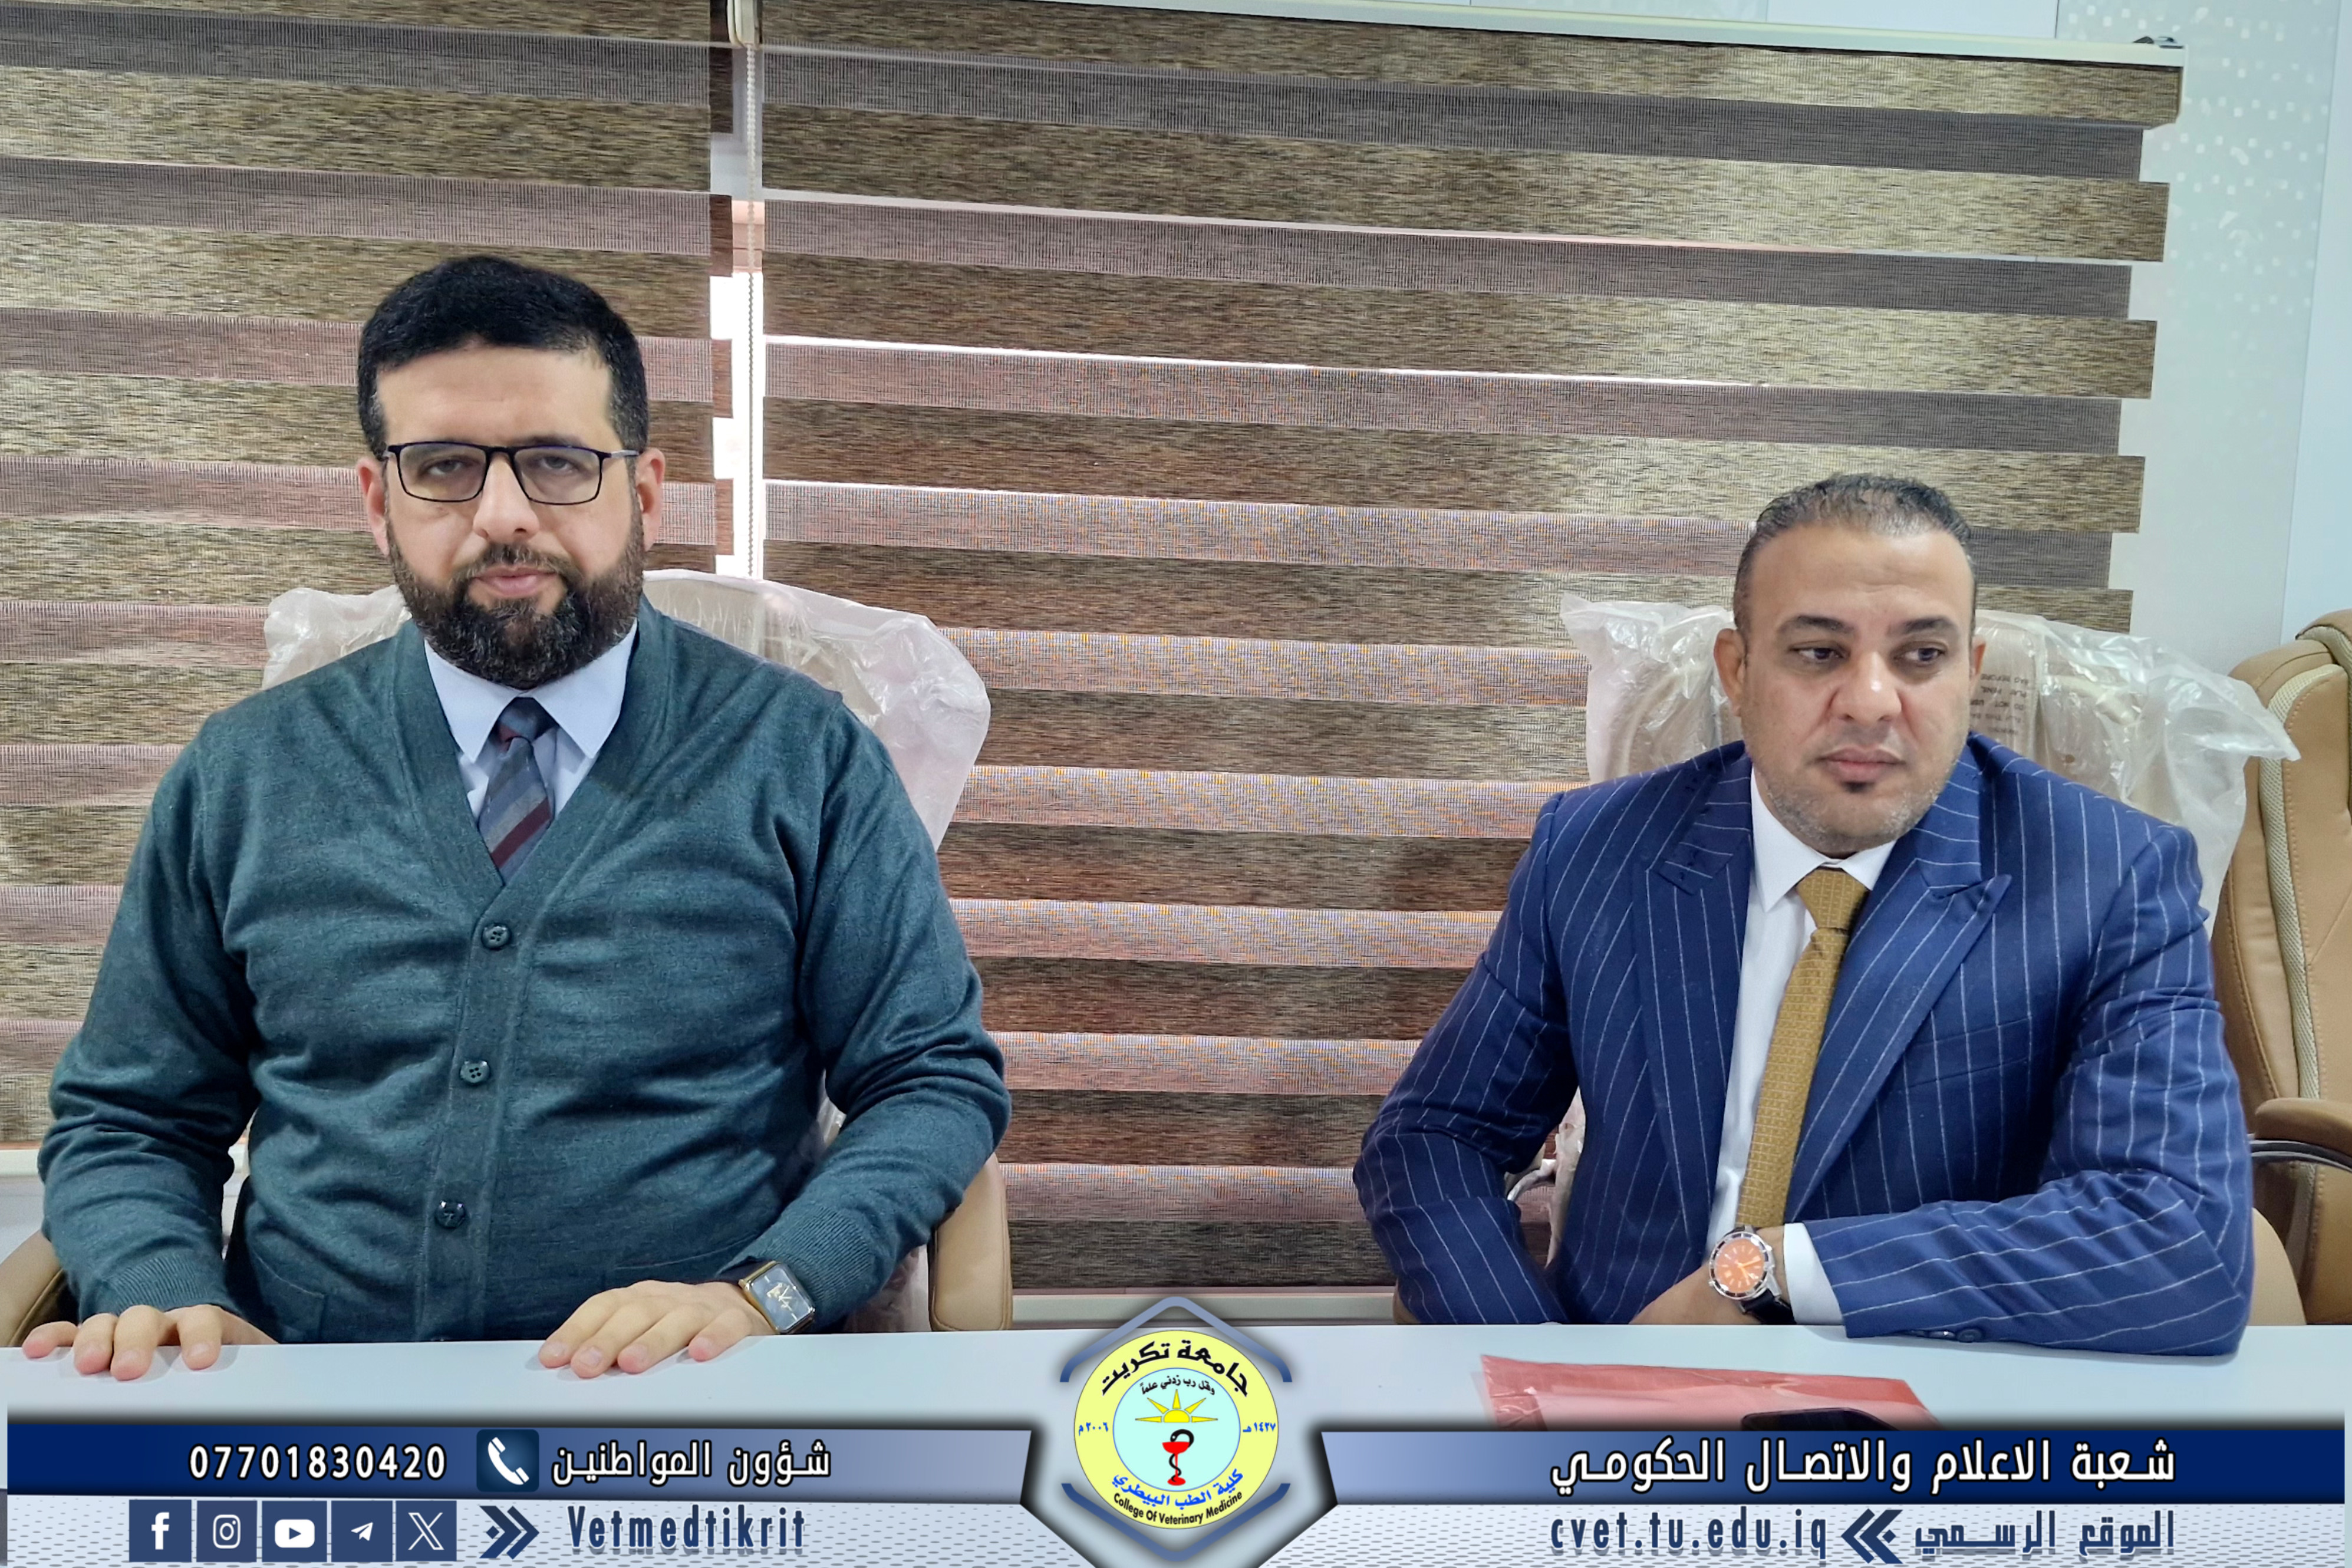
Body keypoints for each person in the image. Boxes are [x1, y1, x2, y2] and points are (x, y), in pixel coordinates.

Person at [31, 256, 1009, 1379]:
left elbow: (930, 1080)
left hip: (687, 1401)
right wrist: (164, 1295)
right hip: (304, 1398)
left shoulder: (804, 758)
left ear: (644, 493)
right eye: (444, 467)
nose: (503, 516)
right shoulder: (244, 772)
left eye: (557, 462)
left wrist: (763, 1297)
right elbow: (133, 1117)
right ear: (378, 502)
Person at [1356, 475, 2252, 1354]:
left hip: (1917, 1408)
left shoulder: (2109, 875)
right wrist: (1534, 1369)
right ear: (1737, 671)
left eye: (1922, 656)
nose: (1871, 701)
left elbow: (2180, 1241)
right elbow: (1434, 1137)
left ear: (1970, 674)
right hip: (1616, 1402)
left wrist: (1776, 1274)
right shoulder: (1595, 848)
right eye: (1820, 652)